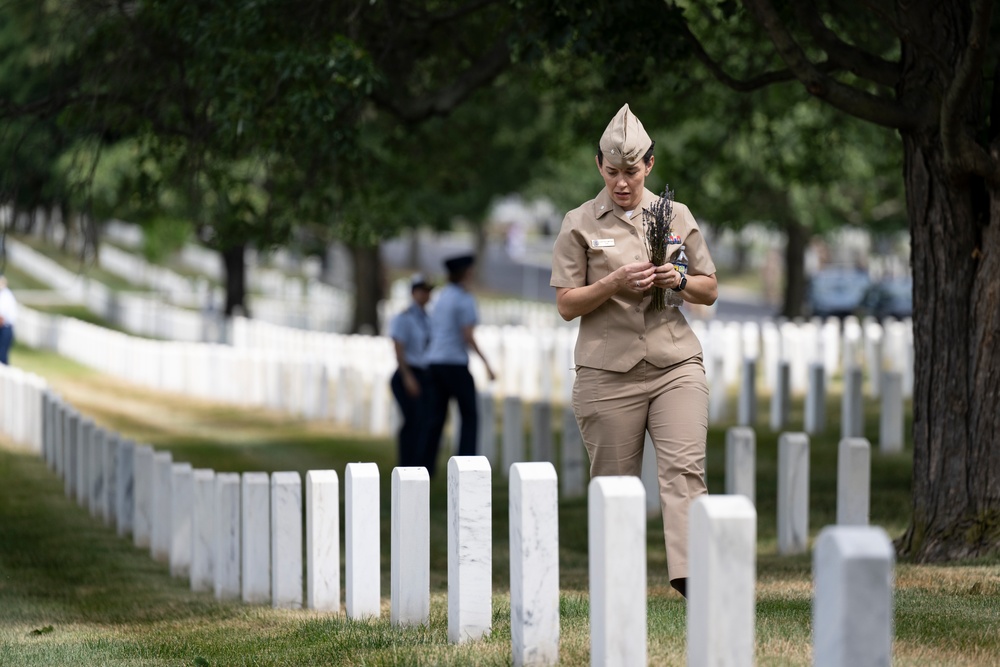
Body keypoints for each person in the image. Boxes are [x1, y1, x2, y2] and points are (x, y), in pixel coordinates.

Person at [550, 103, 718, 598]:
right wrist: (615, 281)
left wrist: (679, 279)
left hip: (674, 363)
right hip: (608, 371)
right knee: (616, 485)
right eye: (612, 171)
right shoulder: (578, 222)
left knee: (684, 470)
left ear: (650, 165)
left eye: (632, 171)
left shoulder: (676, 216)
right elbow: (566, 304)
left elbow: (709, 288)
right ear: (598, 166)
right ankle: (617, 589)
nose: (622, 182)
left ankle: (693, 582)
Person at [418, 253, 495, 477]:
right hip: (454, 364)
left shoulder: (442, 297)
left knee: (434, 419)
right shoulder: (464, 299)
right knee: (469, 416)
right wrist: (487, 364)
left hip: (434, 363)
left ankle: (424, 469)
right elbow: (467, 335)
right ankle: (466, 468)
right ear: (467, 273)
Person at [389, 274, 434, 467]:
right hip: (408, 373)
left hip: (424, 374)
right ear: (414, 293)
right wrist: (407, 376)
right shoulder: (404, 317)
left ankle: (420, 463)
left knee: (425, 421)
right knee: (412, 420)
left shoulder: (428, 319)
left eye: (428, 291)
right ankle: (407, 463)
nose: (426, 295)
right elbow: (399, 347)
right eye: (422, 291)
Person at [0, 276, 17, 366]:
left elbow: (1, 318)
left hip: (5, 328)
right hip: (4, 328)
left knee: (2, 357)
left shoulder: (5, 296)